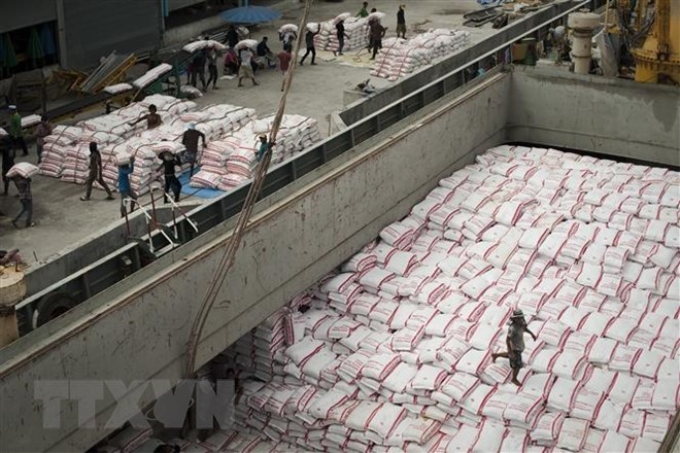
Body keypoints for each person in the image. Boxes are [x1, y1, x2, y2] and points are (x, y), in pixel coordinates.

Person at [491, 309, 537, 386]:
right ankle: (514, 379)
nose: (521, 319)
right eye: (519, 318)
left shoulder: (521, 323)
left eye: (521, 317)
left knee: (511, 356)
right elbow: (507, 340)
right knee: (517, 365)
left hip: (519, 346)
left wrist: (532, 334)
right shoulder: (513, 328)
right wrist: (510, 351)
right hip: (515, 347)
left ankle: (495, 355)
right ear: (515, 319)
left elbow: (525, 328)